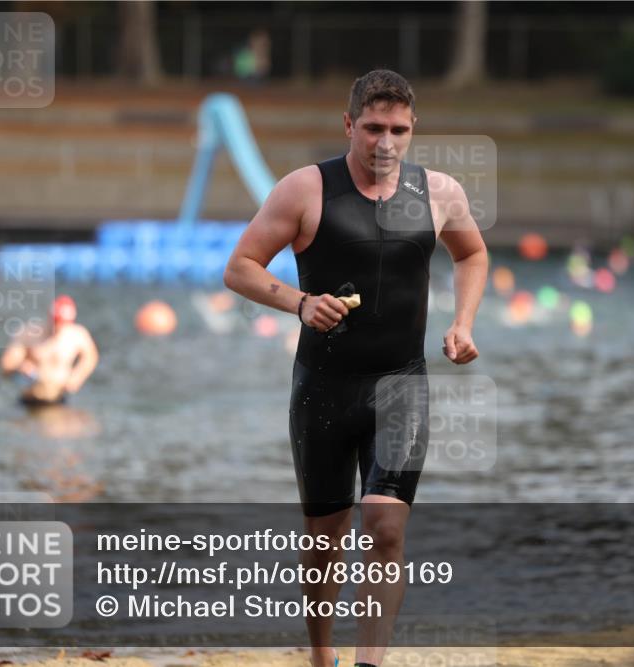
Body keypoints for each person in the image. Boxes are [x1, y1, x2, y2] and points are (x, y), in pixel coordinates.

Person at [224, 69, 488, 667]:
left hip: (401, 385)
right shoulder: (306, 190)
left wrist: (463, 322)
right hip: (323, 389)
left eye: (398, 129)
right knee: (324, 543)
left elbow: (472, 252)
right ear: (350, 125)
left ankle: (370, 662)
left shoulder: (439, 192)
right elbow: (239, 267)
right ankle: (322, 657)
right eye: (373, 128)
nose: (385, 142)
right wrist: (298, 302)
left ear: (413, 129)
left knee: (386, 526)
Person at [0, 295, 100, 406]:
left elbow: (91, 357)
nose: (59, 326)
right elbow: (6, 365)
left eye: (63, 322)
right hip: (30, 398)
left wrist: (77, 377)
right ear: (50, 317)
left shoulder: (77, 335)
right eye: (56, 321)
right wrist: (21, 366)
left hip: (58, 398)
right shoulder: (29, 333)